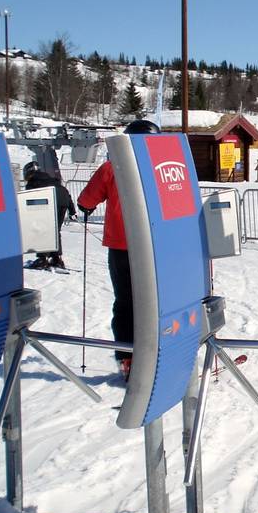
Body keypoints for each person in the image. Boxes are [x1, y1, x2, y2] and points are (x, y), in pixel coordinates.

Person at [76, 119, 161, 380]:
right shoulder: (162, 167)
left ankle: (128, 357)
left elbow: (86, 201)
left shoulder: (113, 168)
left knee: (126, 303)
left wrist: (88, 207)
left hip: (123, 248)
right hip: (158, 246)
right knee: (158, 300)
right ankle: (159, 351)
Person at [23, 160, 76, 270]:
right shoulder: (49, 178)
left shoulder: (32, 183)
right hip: (63, 200)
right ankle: (57, 259)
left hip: (49, 201)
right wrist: (72, 211)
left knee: (42, 230)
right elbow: (65, 192)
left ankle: (42, 259)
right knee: (55, 230)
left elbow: (29, 201)